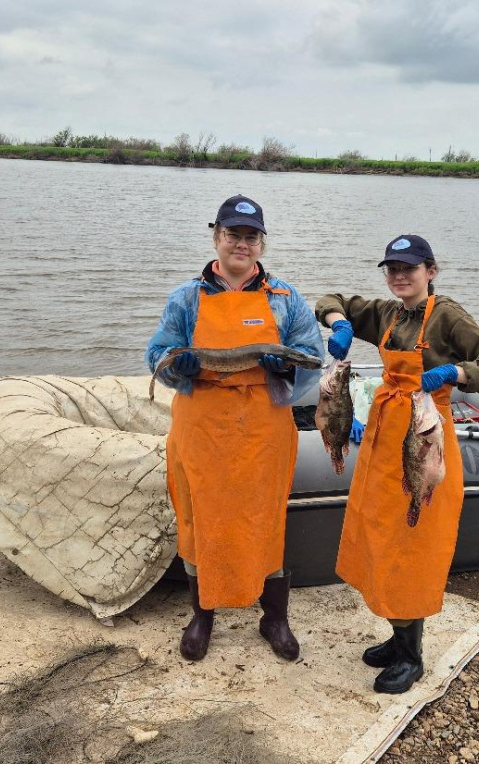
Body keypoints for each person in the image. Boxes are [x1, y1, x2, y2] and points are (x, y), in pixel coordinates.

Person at [316, 234, 479, 694]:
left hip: (426, 435)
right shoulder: (387, 312)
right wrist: (339, 322)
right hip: (385, 436)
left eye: (409, 268)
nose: (400, 276)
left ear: (431, 270)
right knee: (383, 536)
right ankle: (397, 636)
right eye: (392, 269)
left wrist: (456, 372)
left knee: (414, 541)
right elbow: (331, 299)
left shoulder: (447, 316)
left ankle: (412, 655)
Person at [145, 194, 323, 662]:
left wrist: (279, 368)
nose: (241, 244)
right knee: (198, 518)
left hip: (264, 428)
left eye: (250, 236)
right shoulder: (186, 297)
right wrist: (179, 368)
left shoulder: (286, 299)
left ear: (261, 244)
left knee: (266, 521)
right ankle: (202, 615)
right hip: (201, 425)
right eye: (232, 234)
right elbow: (157, 353)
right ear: (216, 238)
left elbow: (311, 358)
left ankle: (274, 617)